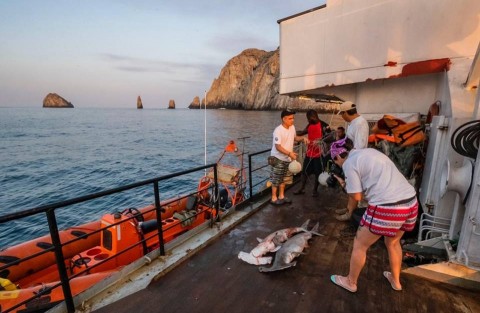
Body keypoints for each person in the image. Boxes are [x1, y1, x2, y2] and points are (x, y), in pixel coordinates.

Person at [328, 138, 418, 293]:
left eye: (335, 160)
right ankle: (396, 282)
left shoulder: (349, 163)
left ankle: (351, 282)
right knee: (393, 243)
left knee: (360, 244)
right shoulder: (369, 151)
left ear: (339, 156)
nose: (337, 164)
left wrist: (343, 184)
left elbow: (356, 197)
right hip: (410, 202)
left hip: (387, 207)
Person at [270, 109, 306, 205]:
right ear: (284, 119)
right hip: (277, 158)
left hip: (287, 158)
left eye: (293, 118)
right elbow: (278, 147)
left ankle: (281, 196)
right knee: (276, 178)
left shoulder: (292, 127)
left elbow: (295, 138)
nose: (292, 120)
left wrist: (303, 138)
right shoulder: (278, 130)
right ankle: (273, 198)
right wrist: (289, 153)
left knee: (284, 178)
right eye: (290, 118)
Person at [294, 110, 324, 197]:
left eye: (310, 117)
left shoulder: (322, 124)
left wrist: (320, 141)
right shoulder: (309, 124)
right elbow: (302, 132)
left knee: (318, 173)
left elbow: (329, 136)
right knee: (304, 172)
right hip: (309, 153)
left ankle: (315, 190)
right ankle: (301, 188)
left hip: (318, 154)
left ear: (315, 116)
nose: (309, 119)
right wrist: (292, 132)